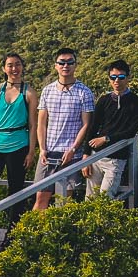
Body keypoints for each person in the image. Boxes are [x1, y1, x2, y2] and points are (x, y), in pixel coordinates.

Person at [0, 53, 38, 253]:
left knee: (16, 192)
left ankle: (11, 235)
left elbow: (32, 124)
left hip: (18, 145)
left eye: (18, 65)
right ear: (4, 68)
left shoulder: (29, 93)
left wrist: (31, 151)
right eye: (10, 65)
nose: (14, 69)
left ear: (22, 67)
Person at [33, 48, 94, 210]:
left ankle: (59, 235)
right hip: (48, 154)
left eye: (69, 62)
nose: (65, 65)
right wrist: (42, 149)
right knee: (40, 199)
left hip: (71, 156)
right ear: (56, 66)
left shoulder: (84, 92)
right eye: (62, 62)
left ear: (75, 65)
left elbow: (86, 124)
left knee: (63, 203)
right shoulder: (47, 90)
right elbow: (42, 123)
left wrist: (73, 149)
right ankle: (34, 235)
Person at [86, 60, 138, 200]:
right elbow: (93, 127)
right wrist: (86, 156)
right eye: (113, 77)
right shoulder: (104, 100)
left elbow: (131, 131)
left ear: (128, 77)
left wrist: (106, 138)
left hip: (116, 159)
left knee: (106, 197)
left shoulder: (136, 102)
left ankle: (105, 223)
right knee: (90, 198)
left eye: (121, 77)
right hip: (96, 157)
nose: (116, 80)